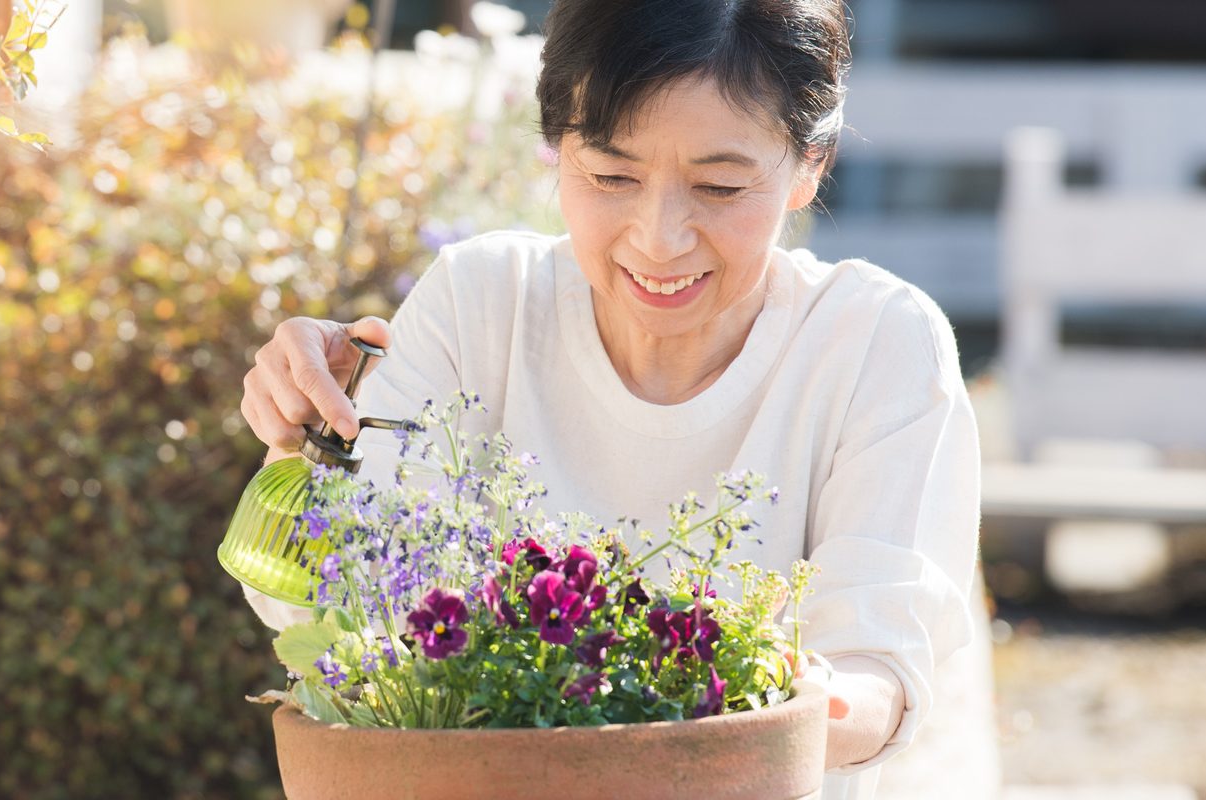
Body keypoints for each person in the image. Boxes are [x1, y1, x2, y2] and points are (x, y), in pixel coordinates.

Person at [234, 0, 990, 796]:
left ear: (810, 164)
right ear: (556, 147)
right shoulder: (483, 301)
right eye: (610, 176)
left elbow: (876, 673)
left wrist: (704, 716)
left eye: (720, 185)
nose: (659, 237)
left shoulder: (875, 343)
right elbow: (332, 603)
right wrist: (308, 438)